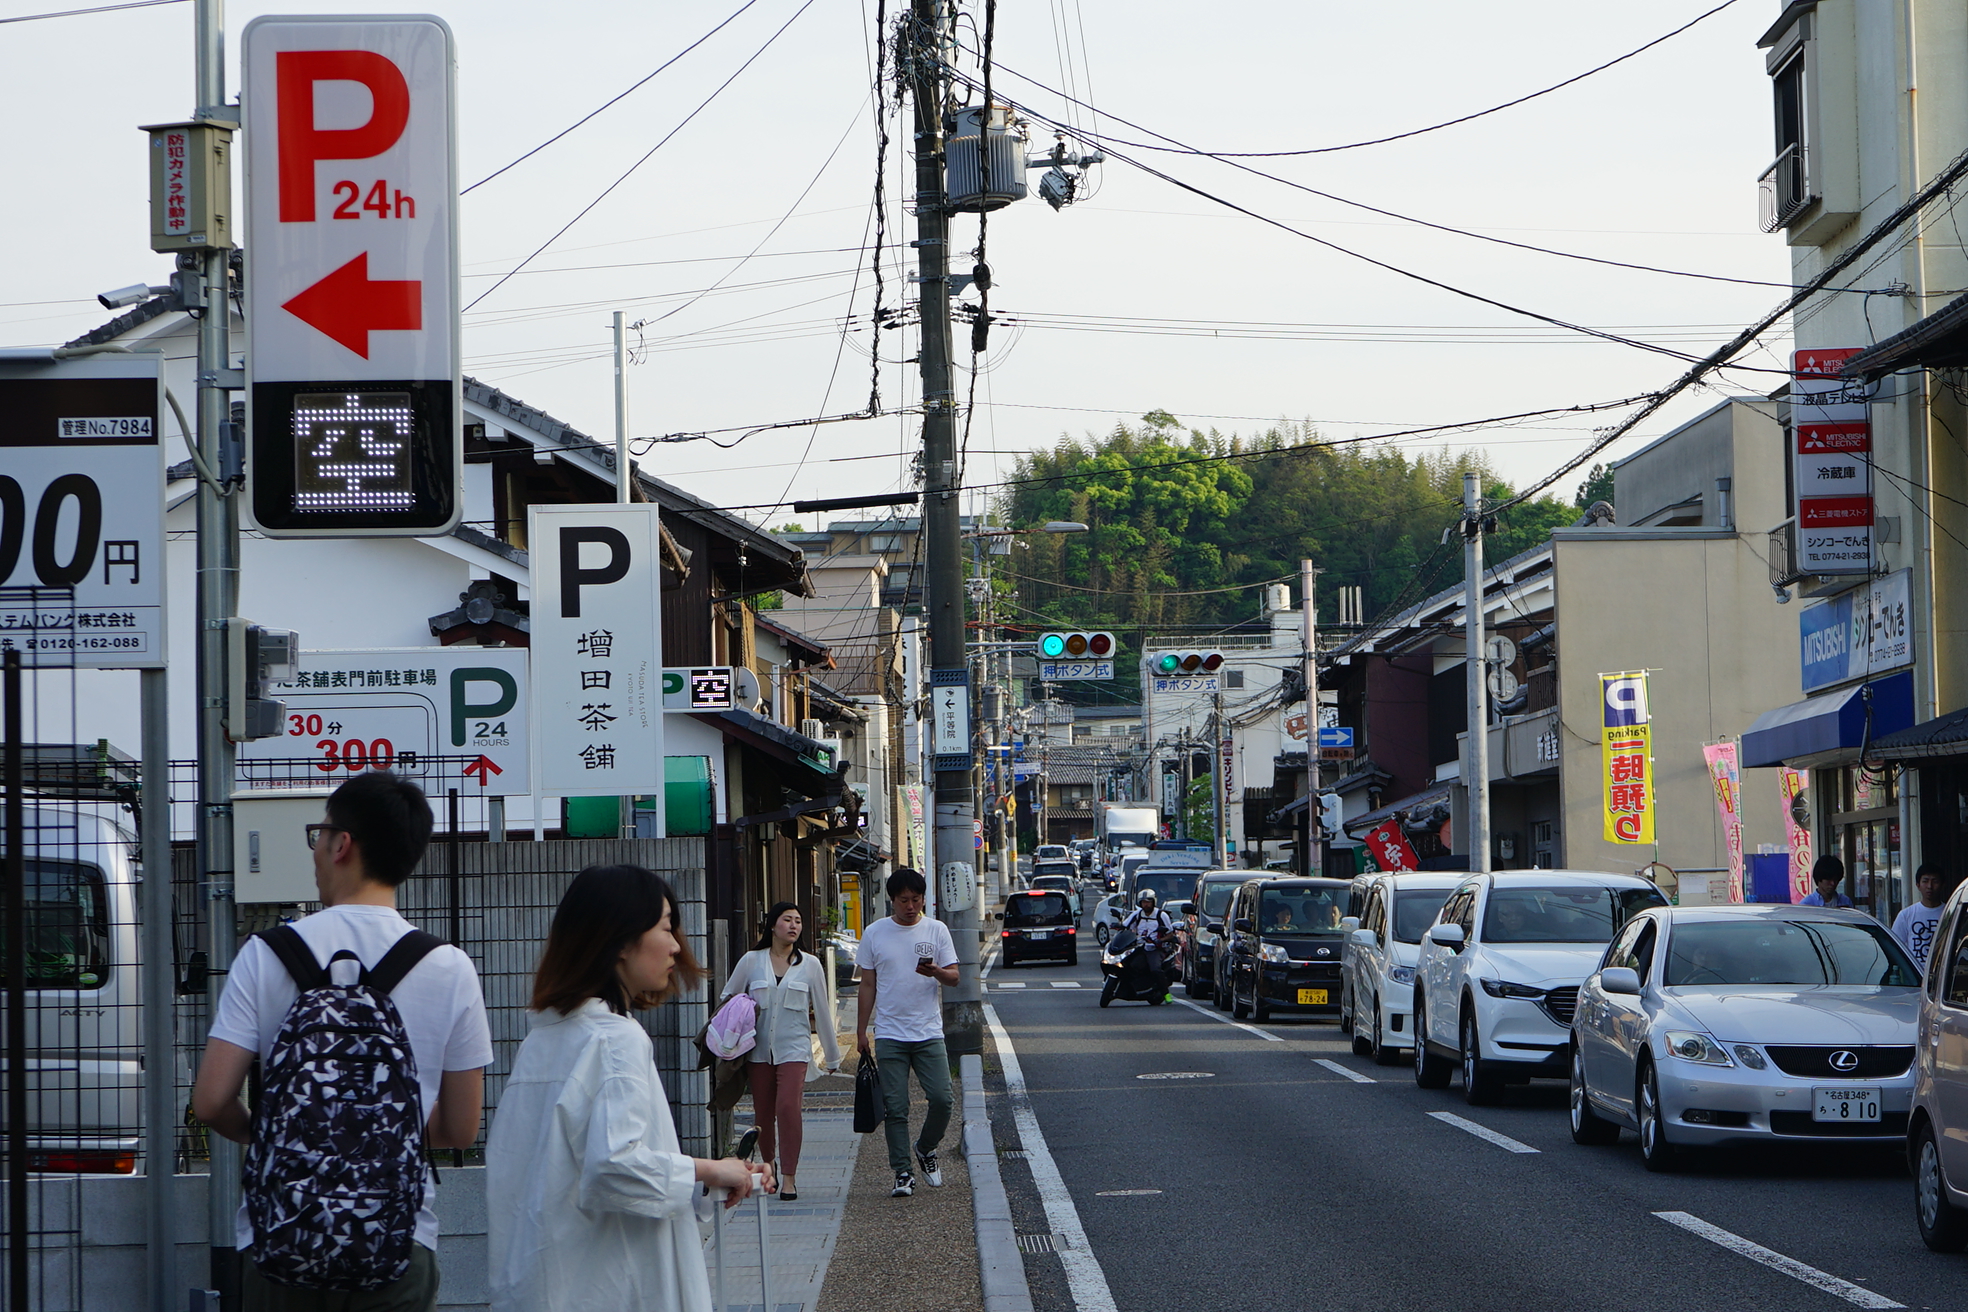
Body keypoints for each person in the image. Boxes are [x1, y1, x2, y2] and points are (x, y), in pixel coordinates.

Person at [191, 772, 494, 1311]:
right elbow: (459, 1128)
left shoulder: (266, 954)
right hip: (397, 1242)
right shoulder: (449, 967)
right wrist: (373, 1133)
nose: (315, 849)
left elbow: (211, 1101)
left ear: (341, 845)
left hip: (281, 1239)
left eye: (319, 833)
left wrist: (289, 1132)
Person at [485, 865, 771, 1312]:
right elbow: (613, 1166)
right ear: (619, 939)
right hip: (610, 1284)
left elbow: (578, 1168)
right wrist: (710, 1171)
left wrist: (712, 1179)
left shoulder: (545, 1038)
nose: (677, 944)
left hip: (542, 1279)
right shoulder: (613, 1038)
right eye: (664, 927)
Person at [718, 901, 841, 1200]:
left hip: (795, 1049)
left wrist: (832, 1054)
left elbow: (823, 1011)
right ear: (773, 925)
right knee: (763, 1112)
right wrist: (742, 1014)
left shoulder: (810, 965)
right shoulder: (751, 960)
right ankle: (768, 1168)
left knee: (788, 1107)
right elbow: (728, 996)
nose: (794, 926)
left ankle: (789, 1177)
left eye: (798, 921)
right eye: (787, 920)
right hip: (758, 1050)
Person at [855, 868, 958, 1199]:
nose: (910, 906)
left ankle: (926, 1148)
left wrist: (936, 971)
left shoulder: (936, 929)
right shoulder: (875, 933)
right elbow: (867, 985)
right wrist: (861, 1031)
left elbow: (954, 978)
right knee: (895, 1107)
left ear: (923, 899)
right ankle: (902, 1172)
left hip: (928, 1031)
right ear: (892, 901)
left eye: (916, 900)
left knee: (943, 1098)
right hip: (889, 1033)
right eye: (903, 901)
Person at [1892, 864, 1949, 972]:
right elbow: (1895, 948)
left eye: (1935, 881)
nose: (1929, 886)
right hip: (1915, 977)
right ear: (1918, 885)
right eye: (1925, 881)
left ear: (1942, 885)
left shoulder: (1950, 913)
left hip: (1943, 977)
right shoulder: (1906, 915)